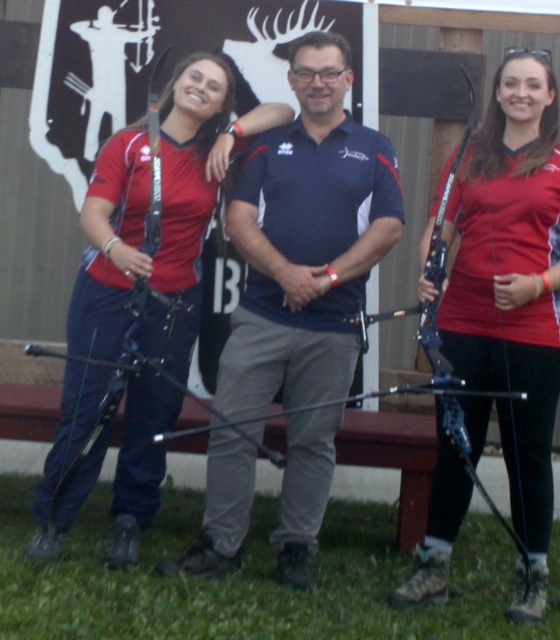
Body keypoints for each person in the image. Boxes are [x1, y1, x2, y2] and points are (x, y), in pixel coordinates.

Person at [156, 31, 405, 591]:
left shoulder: (375, 147)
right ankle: (220, 546)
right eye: (306, 73)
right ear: (292, 81)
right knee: (232, 432)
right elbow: (239, 220)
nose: (318, 82)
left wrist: (329, 278)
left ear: (348, 79)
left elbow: (390, 226)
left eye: (329, 72)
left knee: (313, 441)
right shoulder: (266, 144)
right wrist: (288, 276)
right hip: (263, 314)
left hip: (335, 324)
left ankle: (297, 550)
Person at [25, 52, 294, 568]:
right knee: (86, 409)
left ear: (221, 102)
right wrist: (115, 249)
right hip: (107, 292)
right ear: (175, 84)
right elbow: (94, 212)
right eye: (195, 77)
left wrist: (231, 134)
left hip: (174, 302)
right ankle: (53, 517)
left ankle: (130, 520)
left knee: (154, 413)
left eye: (215, 86)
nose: (202, 88)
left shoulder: (217, 155)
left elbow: (282, 110)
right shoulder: (127, 143)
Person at [386, 48, 560, 623]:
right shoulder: (470, 158)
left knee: (526, 453)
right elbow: (442, 223)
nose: (521, 93)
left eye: (533, 85)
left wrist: (538, 284)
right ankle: (434, 564)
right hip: (462, 323)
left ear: (550, 95)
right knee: (456, 445)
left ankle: (534, 574)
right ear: (499, 94)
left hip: (536, 329)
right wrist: (429, 268)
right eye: (511, 84)